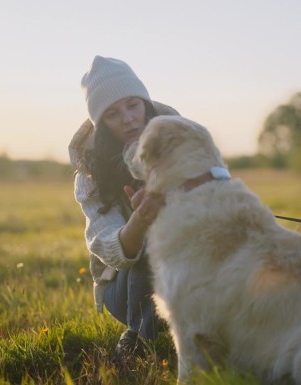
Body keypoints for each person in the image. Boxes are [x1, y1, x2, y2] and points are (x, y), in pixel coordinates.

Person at [68, 56, 178, 363]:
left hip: (187, 271)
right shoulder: (90, 176)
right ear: (101, 124)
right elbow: (111, 251)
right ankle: (136, 340)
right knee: (152, 242)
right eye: (113, 114)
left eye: (133, 105)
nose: (128, 118)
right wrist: (141, 220)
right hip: (127, 287)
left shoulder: (179, 143)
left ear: (145, 103)